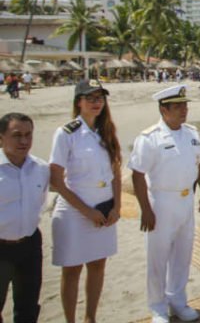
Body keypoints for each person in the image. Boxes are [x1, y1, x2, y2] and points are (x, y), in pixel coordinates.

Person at [129, 85, 200, 323]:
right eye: (177, 107)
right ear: (164, 110)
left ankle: (178, 300)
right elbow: (137, 174)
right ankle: (158, 307)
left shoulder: (191, 133)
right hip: (161, 202)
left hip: (186, 201)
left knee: (182, 254)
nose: (183, 110)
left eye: (185, 106)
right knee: (158, 257)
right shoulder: (150, 138)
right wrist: (145, 209)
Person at [49, 79, 121, 323]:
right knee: (72, 271)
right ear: (78, 102)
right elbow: (56, 181)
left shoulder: (107, 132)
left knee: (98, 266)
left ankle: (90, 317)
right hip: (73, 212)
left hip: (104, 210)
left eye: (100, 98)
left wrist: (117, 206)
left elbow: (116, 173)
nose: (96, 103)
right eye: (90, 98)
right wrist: (87, 212)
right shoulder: (66, 133)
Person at [0, 113, 49, 323]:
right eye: (16, 135)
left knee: (28, 307)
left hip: (29, 246)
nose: (24, 141)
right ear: (1, 137)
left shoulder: (41, 168)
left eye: (28, 135)